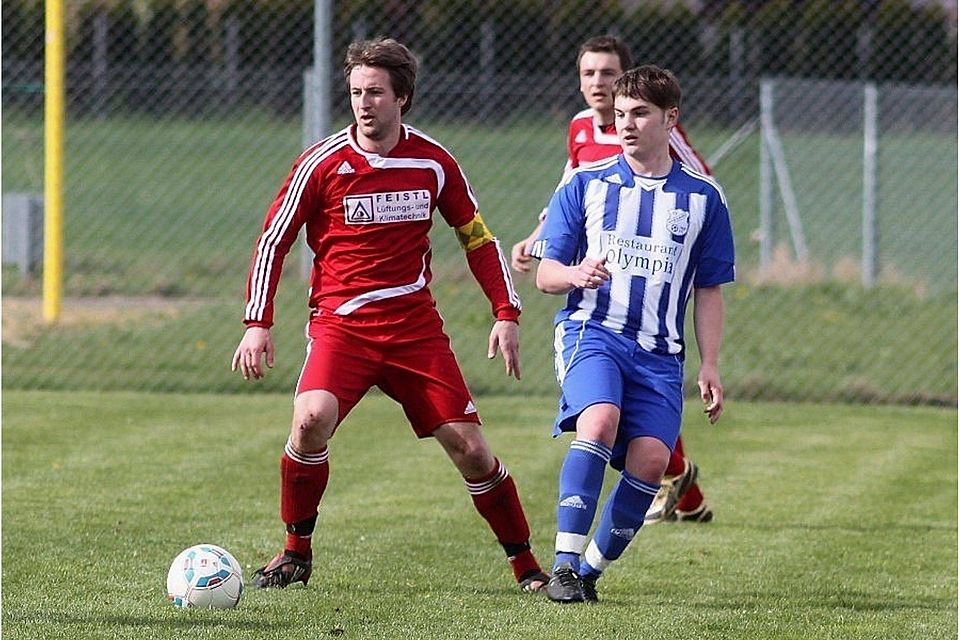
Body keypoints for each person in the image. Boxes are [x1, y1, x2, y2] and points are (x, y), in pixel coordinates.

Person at [231, 37, 549, 593]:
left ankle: (528, 569)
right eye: (356, 92)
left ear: (402, 97)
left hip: (414, 331)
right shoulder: (321, 163)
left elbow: (477, 237)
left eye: (375, 92)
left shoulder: (434, 161)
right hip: (342, 327)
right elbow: (273, 240)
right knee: (309, 421)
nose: (363, 103)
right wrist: (258, 323)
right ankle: (295, 553)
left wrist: (506, 311)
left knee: (473, 451)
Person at [532, 64, 735, 603]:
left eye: (640, 113)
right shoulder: (585, 183)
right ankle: (563, 564)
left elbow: (709, 289)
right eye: (621, 114)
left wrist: (710, 363)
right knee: (599, 421)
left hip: (661, 354)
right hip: (592, 332)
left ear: (671, 119)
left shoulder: (704, 199)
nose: (626, 124)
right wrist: (575, 274)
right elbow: (546, 274)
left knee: (650, 461)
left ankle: (588, 573)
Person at [512, 35, 714, 525]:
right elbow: (567, 187)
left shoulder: (653, 130)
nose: (597, 83)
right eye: (588, 73)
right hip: (595, 281)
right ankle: (685, 495)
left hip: (647, 275)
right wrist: (539, 238)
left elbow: (698, 181)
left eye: (607, 73)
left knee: (639, 391)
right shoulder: (581, 126)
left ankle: (674, 484)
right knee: (613, 394)